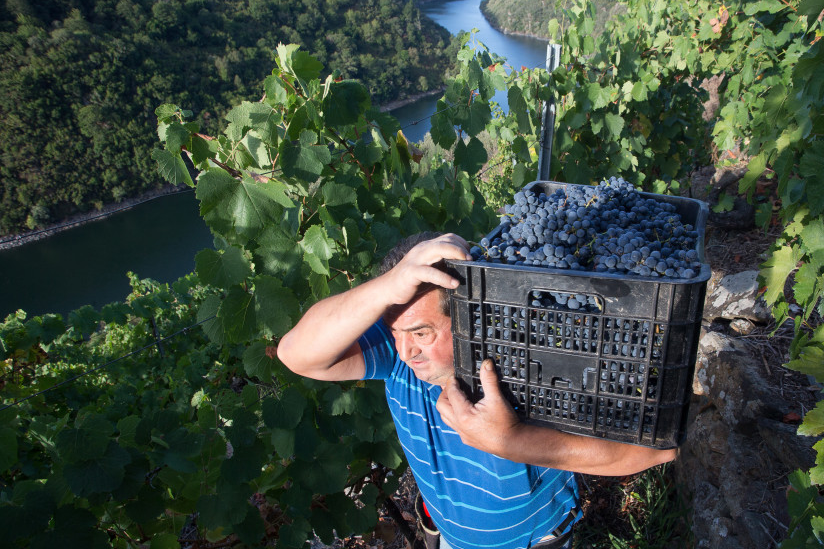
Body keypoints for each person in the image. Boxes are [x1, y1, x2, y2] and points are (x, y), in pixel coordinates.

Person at [277, 232, 678, 549]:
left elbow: (657, 449)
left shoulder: (527, 361)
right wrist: (386, 287)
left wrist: (516, 442)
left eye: (421, 332)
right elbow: (296, 354)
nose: (406, 350)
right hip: (452, 539)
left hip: (534, 542)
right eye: (396, 332)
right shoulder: (395, 357)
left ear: (470, 316)